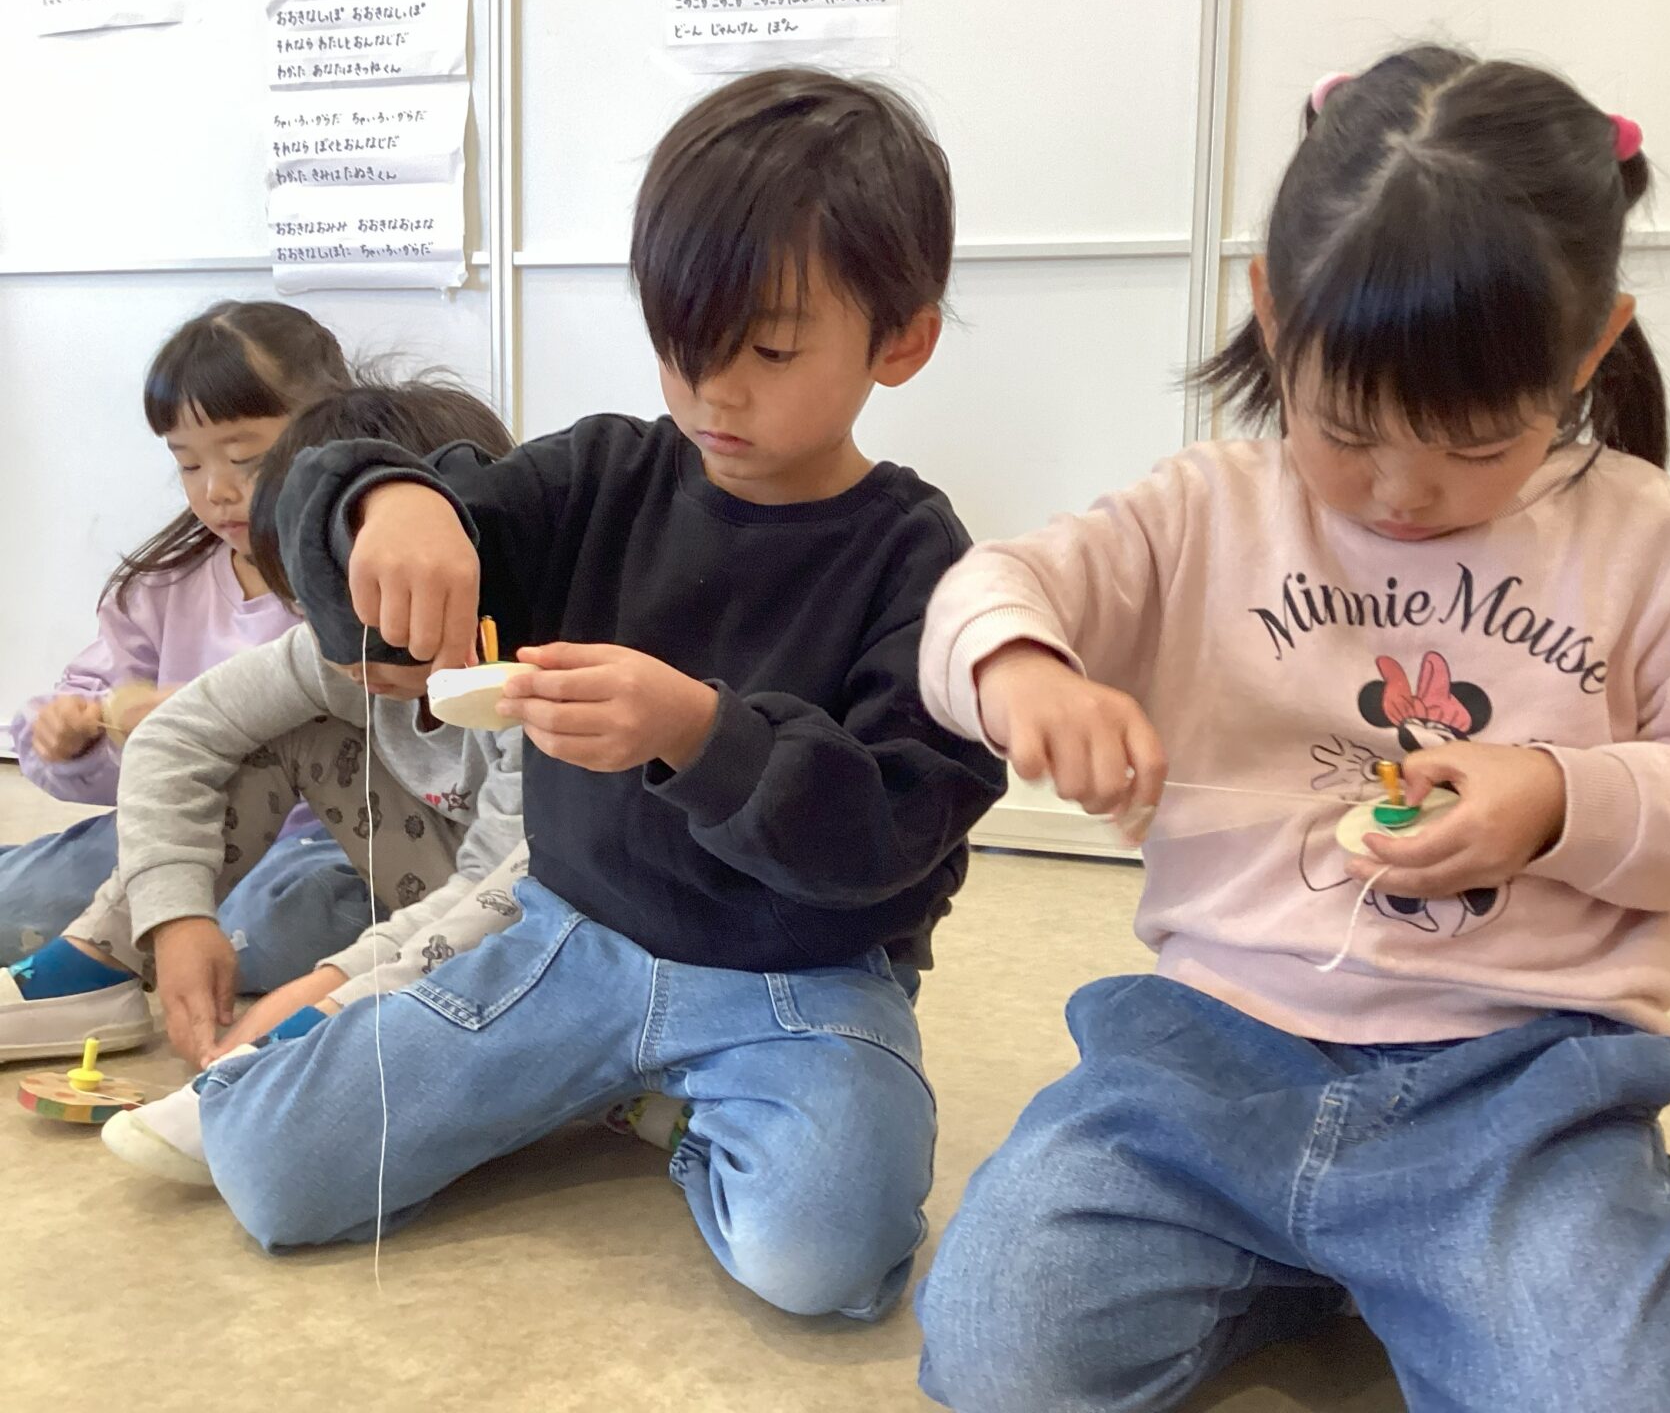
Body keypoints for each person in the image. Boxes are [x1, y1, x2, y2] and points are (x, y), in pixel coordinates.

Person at [915, 46, 1670, 1412]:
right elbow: (989, 588)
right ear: (1273, 314)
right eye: (1346, 430)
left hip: (1519, 1087)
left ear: (1588, 350)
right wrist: (1026, 669)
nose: (1400, 490)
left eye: (1476, 444)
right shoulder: (1206, 509)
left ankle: (1657, 1277)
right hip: (1210, 1063)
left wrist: (1557, 799)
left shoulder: (1650, 544)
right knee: (998, 1345)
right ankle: (1341, 1266)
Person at [162, 70, 1004, 1325]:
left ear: (902, 340)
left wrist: (700, 734)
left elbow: (893, 832)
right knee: (271, 1169)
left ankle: (668, 1112)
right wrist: (388, 501)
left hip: (801, 981)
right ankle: (600, 1085)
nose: (714, 391)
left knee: (827, 1259)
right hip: (573, 938)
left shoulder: (919, 561)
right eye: (681, 343)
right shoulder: (603, 475)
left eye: (771, 350)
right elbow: (341, 492)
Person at [0, 380, 522, 1078]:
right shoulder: (335, 651)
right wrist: (175, 919)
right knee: (264, 735)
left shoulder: (536, 680)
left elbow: (508, 889)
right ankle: (95, 967)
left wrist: (334, 990)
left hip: (521, 914)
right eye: (307, 606)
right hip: (425, 881)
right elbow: (177, 737)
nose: (342, 654)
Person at [0, 301, 366, 1040]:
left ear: (328, 435)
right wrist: (72, 738)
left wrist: (194, 713)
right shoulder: (164, 585)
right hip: (179, 831)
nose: (215, 491)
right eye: (188, 463)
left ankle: (162, 947)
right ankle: (142, 946)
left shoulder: (358, 567)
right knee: (20, 899)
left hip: (324, 843)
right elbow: (102, 720)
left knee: (275, 920)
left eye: (247, 458)